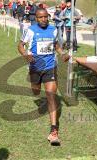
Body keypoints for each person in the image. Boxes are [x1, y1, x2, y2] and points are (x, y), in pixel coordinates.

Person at [18, 8, 70, 145]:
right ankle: (36, 88)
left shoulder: (53, 29)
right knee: (36, 91)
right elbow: (20, 45)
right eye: (40, 17)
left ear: (48, 17)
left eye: (46, 17)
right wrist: (25, 55)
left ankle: (54, 131)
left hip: (50, 67)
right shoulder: (30, 30)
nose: (43, 19)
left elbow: (56, 45)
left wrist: (62, 54)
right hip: (35, 67)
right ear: (36, 18)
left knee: (51, 96)